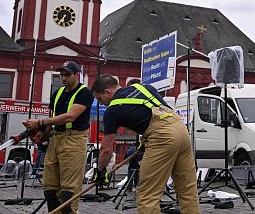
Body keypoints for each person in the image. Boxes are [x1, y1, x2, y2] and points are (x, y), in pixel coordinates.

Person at [91, 75, 200, 214]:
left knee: (147, 195)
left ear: (108, 91)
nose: (101, 103)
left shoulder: (112, 110)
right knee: (187, 190)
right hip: (181, 130)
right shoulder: (144, 87)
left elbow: (106, 150)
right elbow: (155, 114)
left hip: (162, 138)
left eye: (100, 99)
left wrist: (100, 172)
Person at [22, 61, 93, 214]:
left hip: (74, 139)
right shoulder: (57, 93)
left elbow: (70, 117)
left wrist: (39, 122)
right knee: (50, 189)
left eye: (67, 74)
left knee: (68, 191)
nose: (63, 78)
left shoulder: (84, 92)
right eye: (61, 74)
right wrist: (43, 132)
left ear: (76, 75)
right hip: (55, 139)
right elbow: (53, 117)